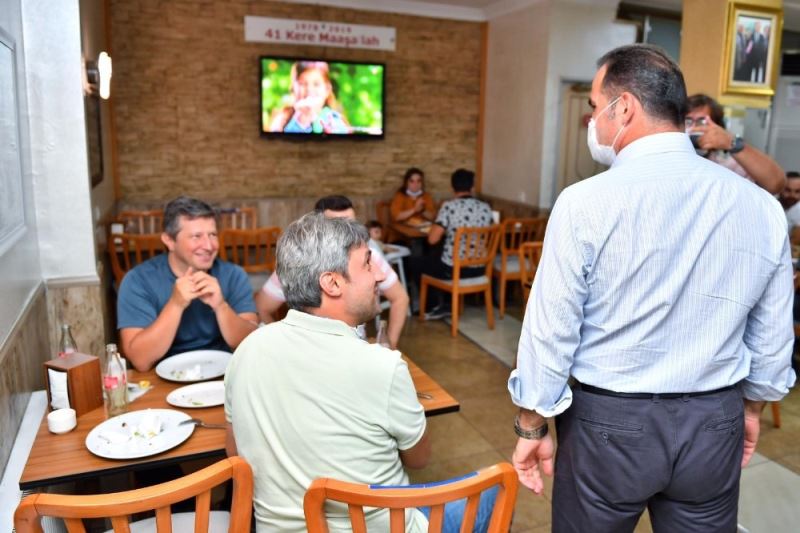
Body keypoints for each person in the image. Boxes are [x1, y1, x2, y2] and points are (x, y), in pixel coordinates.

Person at [508, 44, 795, 532]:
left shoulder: (584, 202)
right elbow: (772, 331)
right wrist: (752, 405)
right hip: (715, 418)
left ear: (624, 108)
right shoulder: (760, 206)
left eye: (596, 109)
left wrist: (532, 423)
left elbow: (551, 329)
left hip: (610, 425)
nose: (593, 123)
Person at [225, 212, 497, 532]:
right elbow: (419, 459)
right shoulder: (382, 366)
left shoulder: (246, 351)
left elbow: (236, 454)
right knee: (495, 488)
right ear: (332, 282)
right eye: (368, 263)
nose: (379, 276)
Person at [117, 196, 258, 372]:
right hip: (159, 379)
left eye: (212, 235)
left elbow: (252, 344)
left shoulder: (234, 275)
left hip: (222, 375)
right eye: (196, 236)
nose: (208, 245)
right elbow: (140, 360)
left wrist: (221, 306)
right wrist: (175, 304)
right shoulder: (138, 280)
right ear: (169, 240)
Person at [254, 195, 409, 348]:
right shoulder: (296, 265)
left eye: (352, 223)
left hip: (355, 346)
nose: (349, 231)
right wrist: (280, 345)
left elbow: (400, 298)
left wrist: (391, 344)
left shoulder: (368, 256)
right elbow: (263, 306)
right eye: (338, 225)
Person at [421, 169, 493, 320]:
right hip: (480, 268)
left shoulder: (449, 207)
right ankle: (447, 304)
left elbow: (432, 239)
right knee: (439, 256)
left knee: (418, 263)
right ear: (472, 187)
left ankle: (433, 307)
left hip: (454, 270)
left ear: (452, 187)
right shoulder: (485, 208)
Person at [685, 93, 785, 194]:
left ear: (718, 126)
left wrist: (730, 142)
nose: (694, 128)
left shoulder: (728, 166)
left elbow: (775, 183)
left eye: (702, 122)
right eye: (687, 121)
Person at [268, 61, 350, 134]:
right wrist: (301, 121)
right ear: (293, 88)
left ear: (327, 90)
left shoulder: (335, 121)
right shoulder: (281, 120)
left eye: (316, 84)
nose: (309, 89)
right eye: (302, 83)